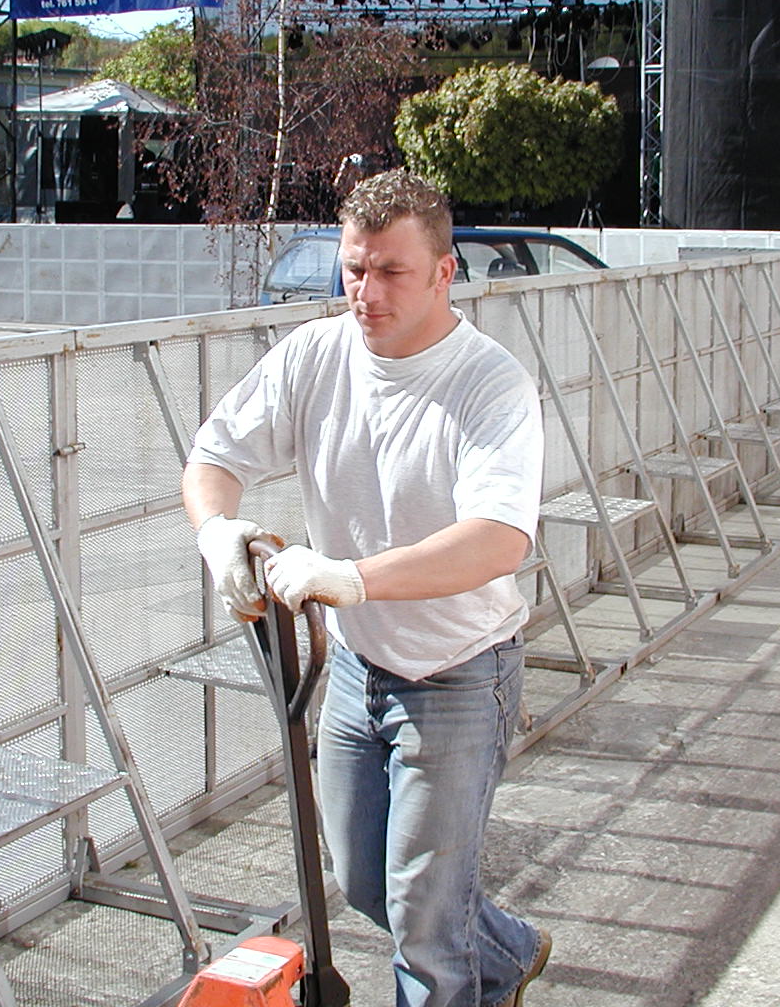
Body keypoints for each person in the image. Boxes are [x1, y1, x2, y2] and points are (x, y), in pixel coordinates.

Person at [182, 169, 552, 1007]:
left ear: (444, 272)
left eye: (391, 272)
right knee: (364, 883)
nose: (366, 292)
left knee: (424, 925)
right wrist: (216, 533)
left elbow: (497, 539)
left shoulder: (488, 384)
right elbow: (214, 457)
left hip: (459, 673)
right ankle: (508, 954)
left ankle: (470, 976)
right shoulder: (316, 355)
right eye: (354, 268)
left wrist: (352, 578)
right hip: (355, 672)